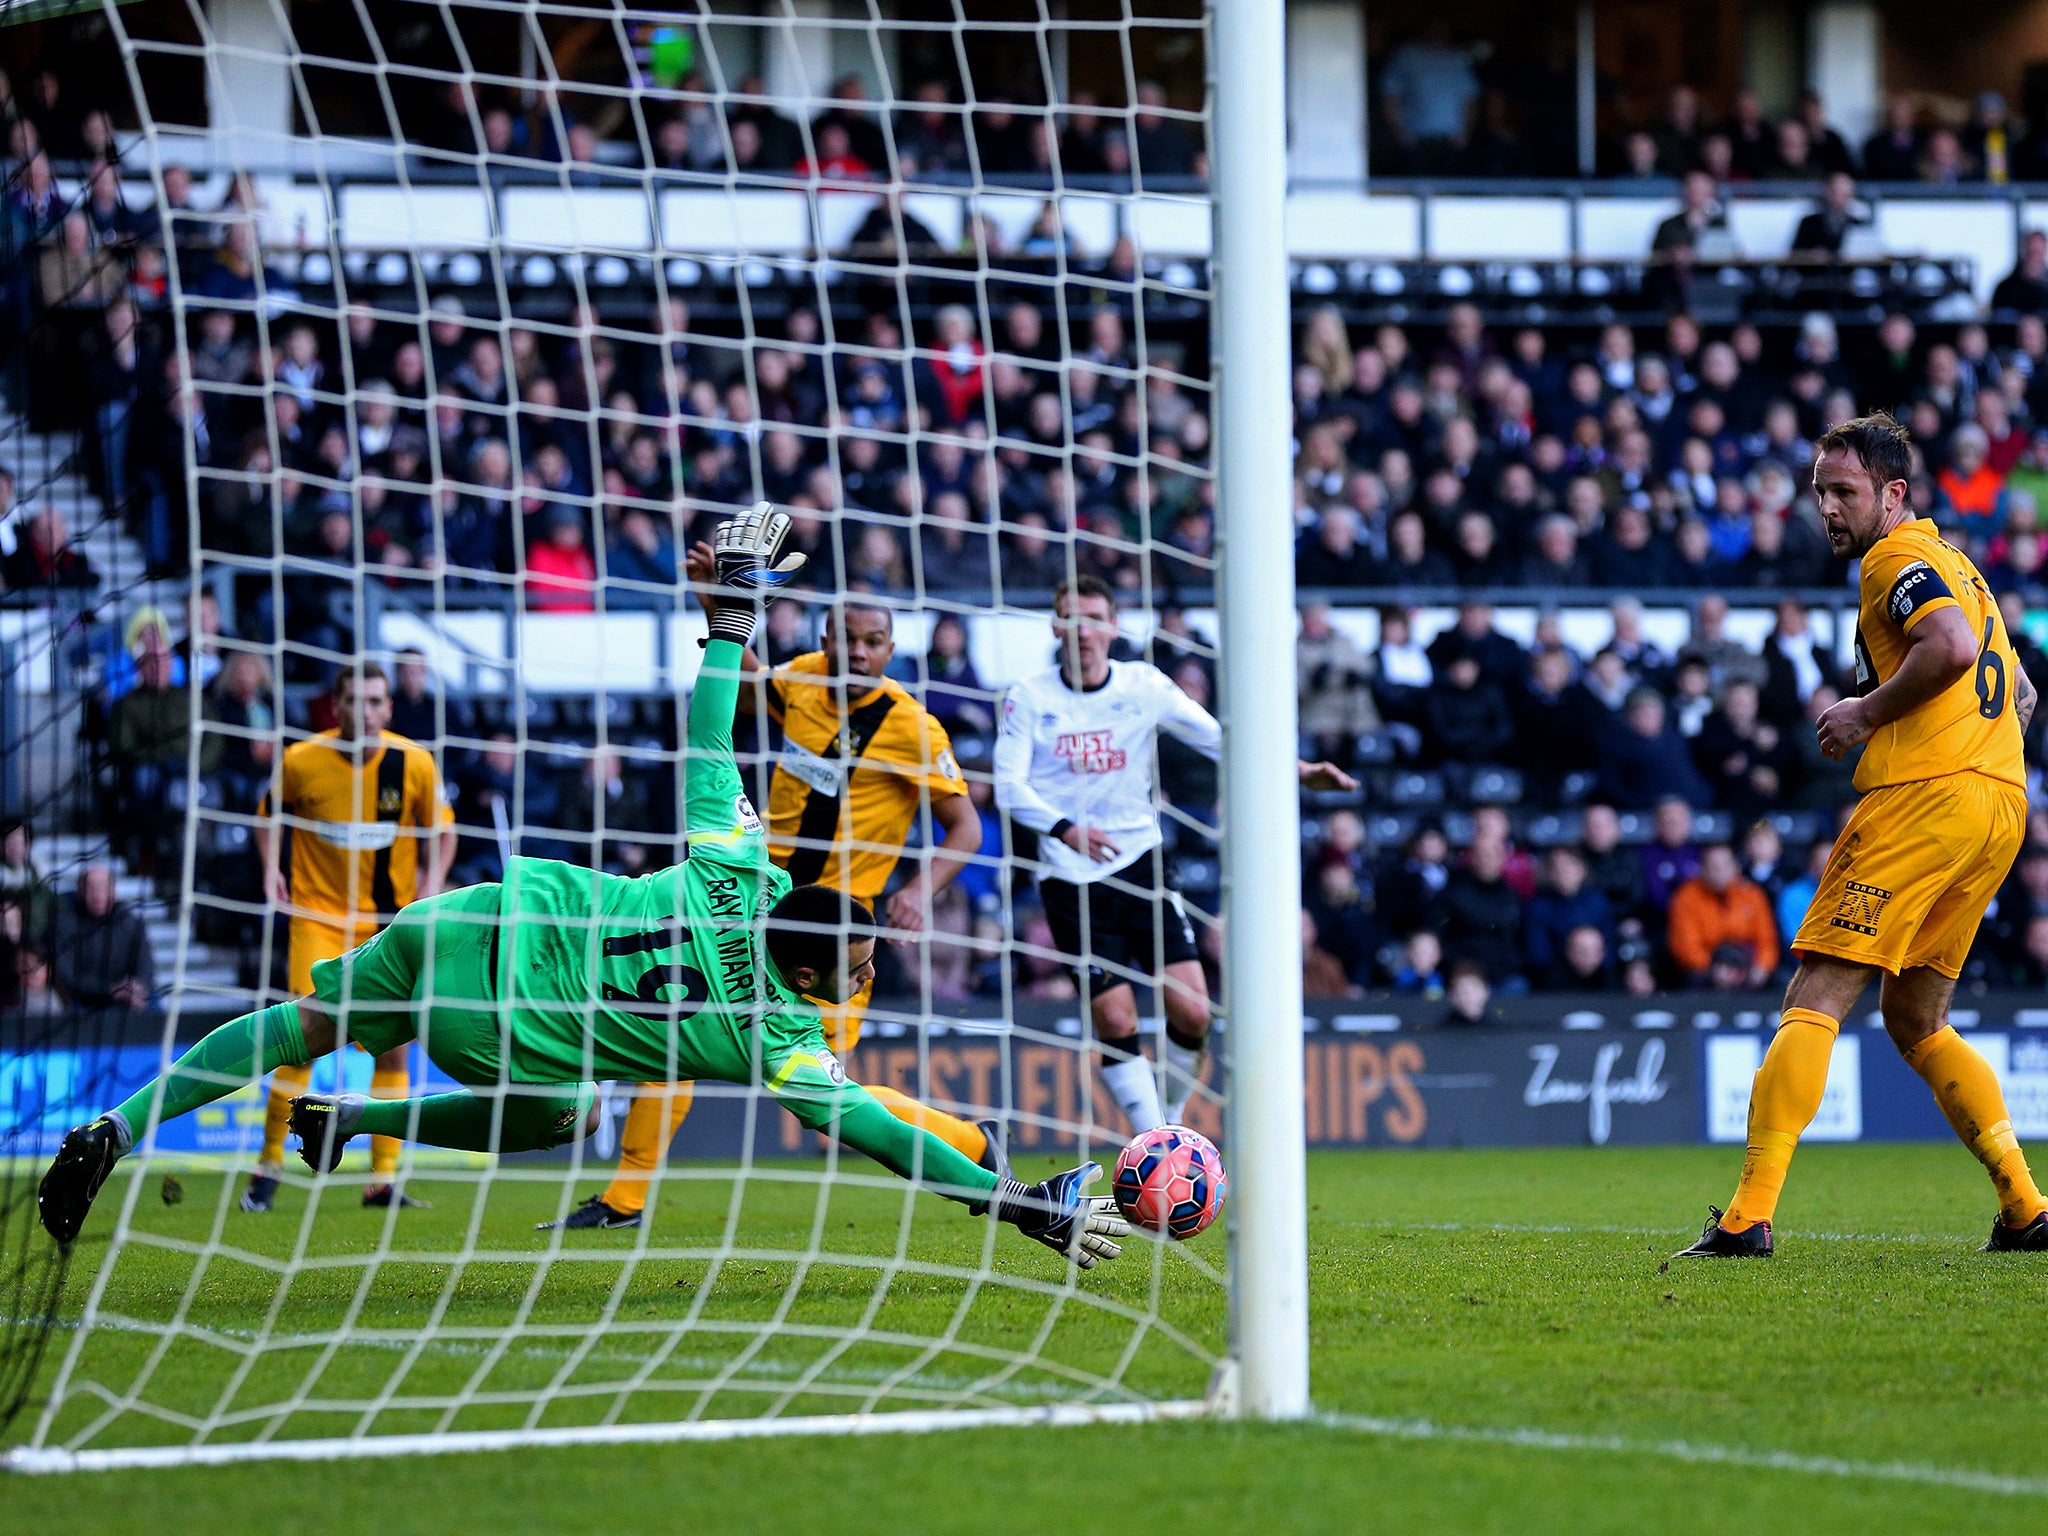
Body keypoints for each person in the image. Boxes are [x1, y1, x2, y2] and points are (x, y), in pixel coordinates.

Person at [39, 510, 1128, 1275]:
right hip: (502, 1029)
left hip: (476, 914)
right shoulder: (776, 1032)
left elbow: (707, 734)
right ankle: (373, 1121)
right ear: (810, 971)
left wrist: (728, 626)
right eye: (852, 959)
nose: (865, 964)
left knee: (297, 1022)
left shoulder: (733, 862)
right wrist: (1019, 1211)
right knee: (561, 1109)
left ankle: (121, 1128)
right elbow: (882, 1141)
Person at [1678, 413, 2045, 1258]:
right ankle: (2026, 1206)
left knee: (1815, 996)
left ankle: (1746, 1218)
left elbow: (1948, 649)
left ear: (1894, 494)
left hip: (1924, 799)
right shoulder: (1966, 570)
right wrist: (1976, 760)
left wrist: (1866, 713)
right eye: (1819, 492)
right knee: (1917, 1016)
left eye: (1843, 492)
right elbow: (2020, 695)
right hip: (1997, 804)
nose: (1828, 509)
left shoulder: (1896, 558)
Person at [547, 575, 996, 1231]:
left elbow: (968, 827)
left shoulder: (910, 726)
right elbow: (752, 692)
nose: (860, 652)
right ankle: (623, 1200)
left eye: (875, 642)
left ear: (892, 648)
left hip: (836, 939)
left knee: (833, 1108)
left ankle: (973, 1145)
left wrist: (919, 891)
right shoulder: (806, 679)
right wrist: (722, 610)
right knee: (673, 1034)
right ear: (825, 638)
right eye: (848, 637)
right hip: (755, 911)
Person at [994, 573, 1354, 1134]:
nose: (1082, 631)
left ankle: (1172, 1119)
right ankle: (1154, 1138)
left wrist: (1300, 771)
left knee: (1192, 1010)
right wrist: (1066, 829)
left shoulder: (1143, 685)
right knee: (1115, 1014)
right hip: (1068, 878)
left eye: (1094, 619)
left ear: (1113, 626)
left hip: (1142, 864)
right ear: (1054, 624)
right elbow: (1008, 786)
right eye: (1071, 617)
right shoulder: (1029, 697)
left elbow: (1221, 741)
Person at [240, 663, 459, 1215]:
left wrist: (431, 883)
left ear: (388, 709)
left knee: (394, 1046)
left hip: (389, 925)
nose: (364, 712)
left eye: (375, 702)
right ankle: (268, 1167)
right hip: (316, 918)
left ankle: (382, 1180)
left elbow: (444, 830)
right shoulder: (300, 760)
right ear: (334, 707)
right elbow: (267, 817)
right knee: (298, 1037)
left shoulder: (414, 762)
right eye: (354, 701)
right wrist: (271, 869)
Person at [1665, 843, 1779, 988]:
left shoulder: (1752, 895)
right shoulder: (1686, 898)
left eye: (1724, 866)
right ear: (1702, 870)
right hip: (1707, 969)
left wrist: (1762, 966)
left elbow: (1767, 940)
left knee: (1782, 981)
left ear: (1735, 868)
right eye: (1713, 867)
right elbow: (1686, 948)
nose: (1719, 872)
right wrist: (1716, 969)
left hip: (1747, 966)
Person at [51, 865, 154, 1012]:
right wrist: (109, 990)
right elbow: (65, 975)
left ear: (113, 891)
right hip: (82, 1000)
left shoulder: (130, 923)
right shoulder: (64, 924)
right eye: (91, 888)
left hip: (127, 998)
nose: (97, 894)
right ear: (80, 891)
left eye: (104, 888)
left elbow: (146, 966)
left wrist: (138, 987)